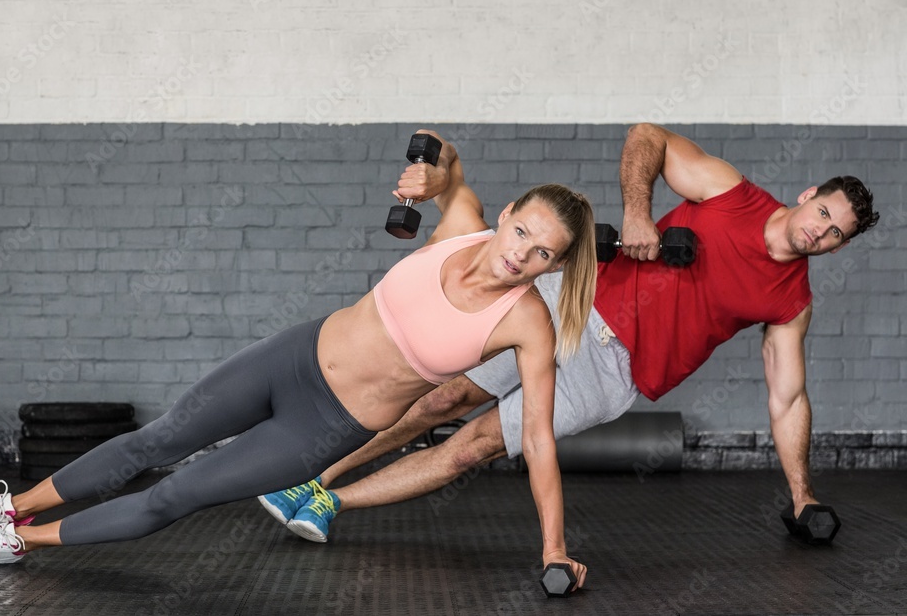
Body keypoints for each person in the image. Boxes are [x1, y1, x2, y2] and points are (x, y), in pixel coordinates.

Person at [0, 129, 596, 590]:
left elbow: (536, 438)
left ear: (557, 264)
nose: (521, 253)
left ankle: (16, 543)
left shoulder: (526, 322)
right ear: (507, 214)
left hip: (325, 428)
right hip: (294, 355)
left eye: (544, 253)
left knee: (176, 493)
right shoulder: (464, 223)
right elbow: (442, 152)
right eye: (522, 231)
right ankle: (10, 509)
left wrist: (554, 549)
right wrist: (428, 170)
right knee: (156, 439)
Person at [259, 122, 880, 547]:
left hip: (615, 374)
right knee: (440, 399)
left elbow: (788, 397)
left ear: (840, 245)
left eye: (836, 235)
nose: (819, 234)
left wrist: (802, 497)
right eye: (823, 213)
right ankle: (314, 472)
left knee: (473, 447)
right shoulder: (728, 193)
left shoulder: (791, 300)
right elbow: (649, 137)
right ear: (807, 196)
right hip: (570, 303)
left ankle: (328, 504)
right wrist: (638, 212)